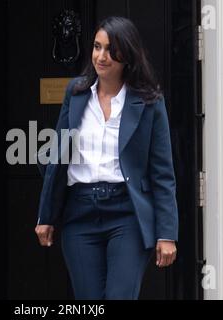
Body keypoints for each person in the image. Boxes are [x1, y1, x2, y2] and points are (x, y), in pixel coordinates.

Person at [35, 16, 179, 300]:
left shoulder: (149, 101)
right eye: (97, 47)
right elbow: (59, 157)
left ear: (128, 54)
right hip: (80, 214)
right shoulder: (76, 93)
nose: (101, 56)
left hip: (127, 214)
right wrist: (46, 215)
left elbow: (162, 172)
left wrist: (167, 233)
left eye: (111, 49)